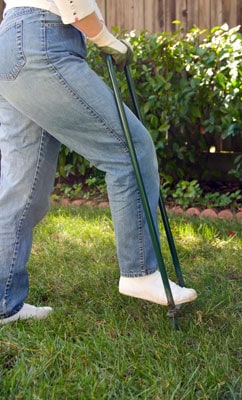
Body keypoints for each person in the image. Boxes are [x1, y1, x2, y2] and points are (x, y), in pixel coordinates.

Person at [0, 0, 197, 324]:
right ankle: (140, 271)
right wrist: (104, 37)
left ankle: (4, 304)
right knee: (131, 149)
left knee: (21, 188)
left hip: (10, 43)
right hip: (41, 43)